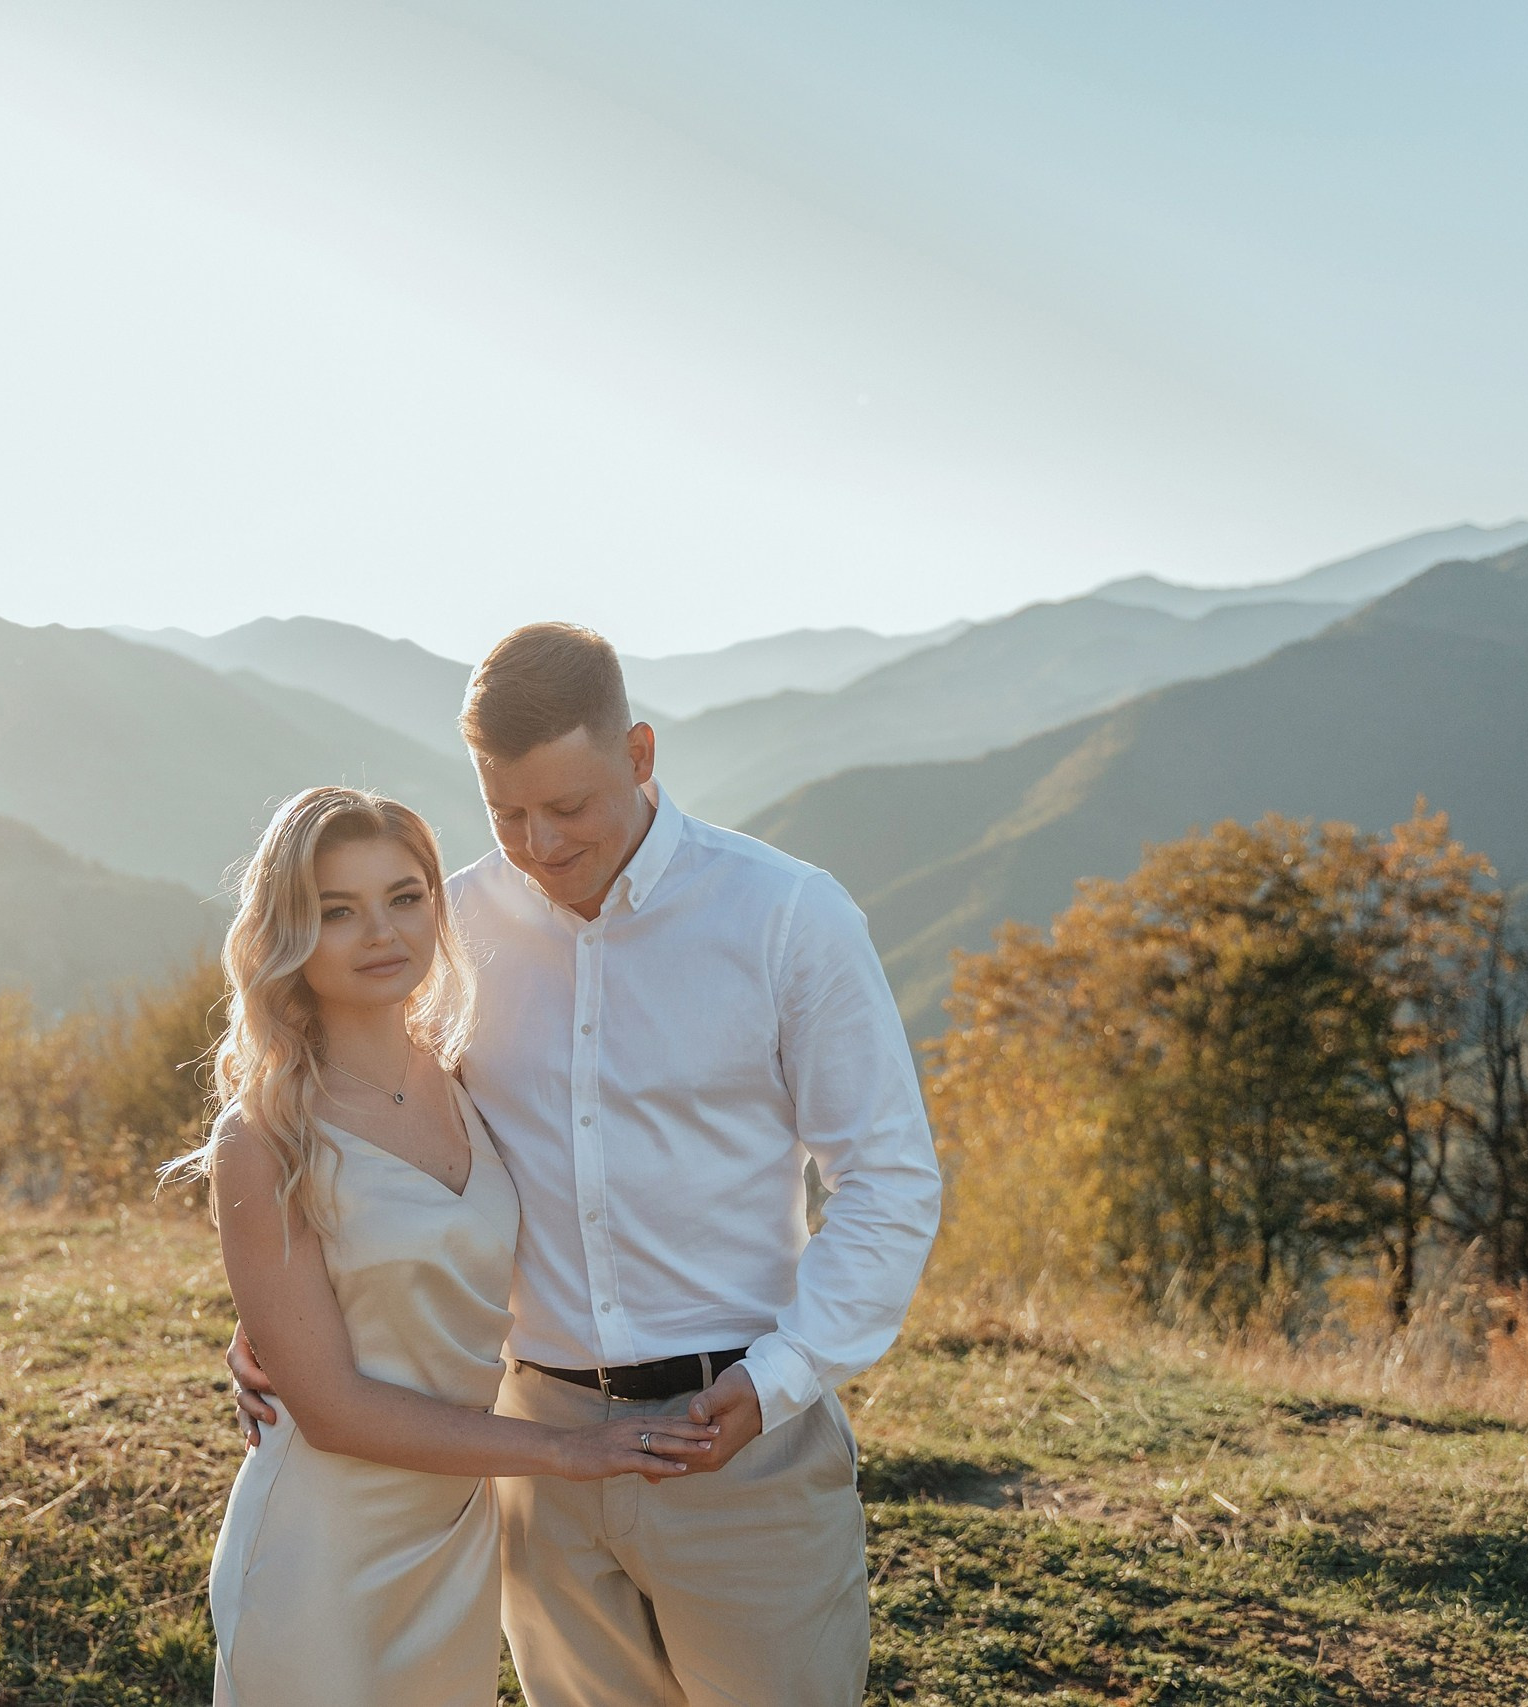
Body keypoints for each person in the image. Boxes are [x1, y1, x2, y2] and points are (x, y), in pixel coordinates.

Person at [231, 623, 944, 1706]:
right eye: (506, 813)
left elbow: (889, 1181)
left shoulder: (786, 917)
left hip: (740, 1439)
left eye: (567, 808)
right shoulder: (447, 923)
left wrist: (780, 1379)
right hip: (533, 1453)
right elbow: (360, 1121)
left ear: (642, 755)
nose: (538, 843)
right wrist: (282, 1304)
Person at [165, 784, 722, 1707]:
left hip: (456, 1532)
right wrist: (573, 1451)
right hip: (325, 1547)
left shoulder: (468, 1071)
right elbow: (334, 1409)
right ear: (286, 933)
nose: (380, 931)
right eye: (336, 910)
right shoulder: (260, 1135)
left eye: (405, 896)